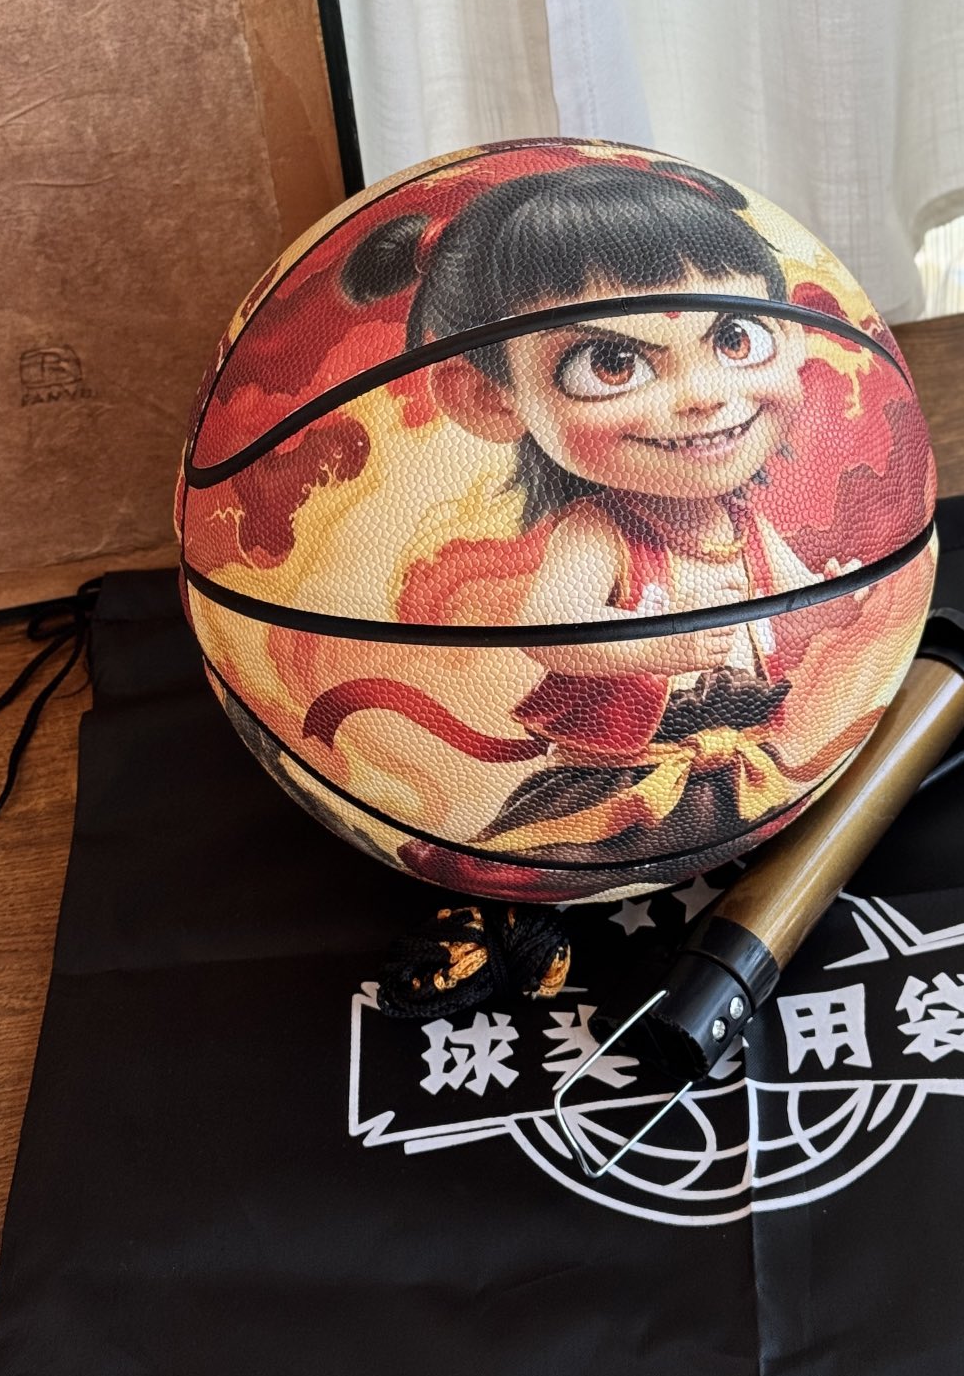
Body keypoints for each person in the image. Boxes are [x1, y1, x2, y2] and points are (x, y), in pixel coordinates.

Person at [341, 158, 859, 869]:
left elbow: (800, 600)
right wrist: (651, 648)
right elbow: (553, 633)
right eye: (612, 363)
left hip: (742, 769)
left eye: (735, 338)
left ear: (791, 336)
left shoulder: (747, 526)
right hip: (619, 786)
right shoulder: (598, 532)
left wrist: (837, 593)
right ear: (490, 398)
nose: (706, 396)